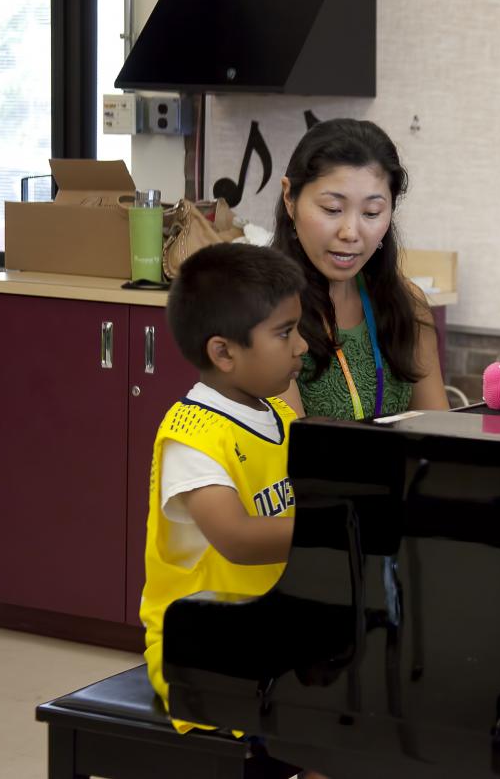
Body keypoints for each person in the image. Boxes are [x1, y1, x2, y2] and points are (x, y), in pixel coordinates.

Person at [140, 242, 308, 735]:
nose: (301, 346)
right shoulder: (191, 435)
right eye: (285, 332)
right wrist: (340, 526)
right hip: (201, 646)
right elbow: (236, 539)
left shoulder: (279, 415)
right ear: (223, 352)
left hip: (268, 625)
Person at [272, 118, 449, 419]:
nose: (351, 232)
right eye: (332, 209)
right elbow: (294, 453)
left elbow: (438, 437)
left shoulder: (408, 304)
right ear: (290, 197)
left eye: (371, 212)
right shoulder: (266, 311)